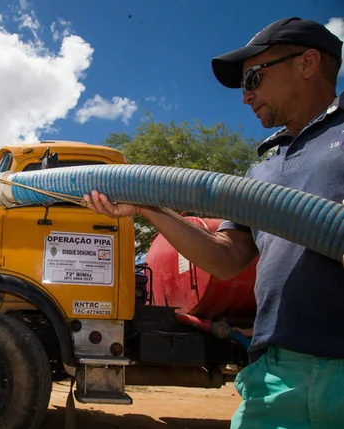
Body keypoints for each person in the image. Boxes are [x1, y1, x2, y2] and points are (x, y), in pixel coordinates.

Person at [85, 17, 344, 429]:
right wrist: (150, 207)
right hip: (276, 375)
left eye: (253, 79)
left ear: (308, 63)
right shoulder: (261, 173)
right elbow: (228, 260)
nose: (245, 97)